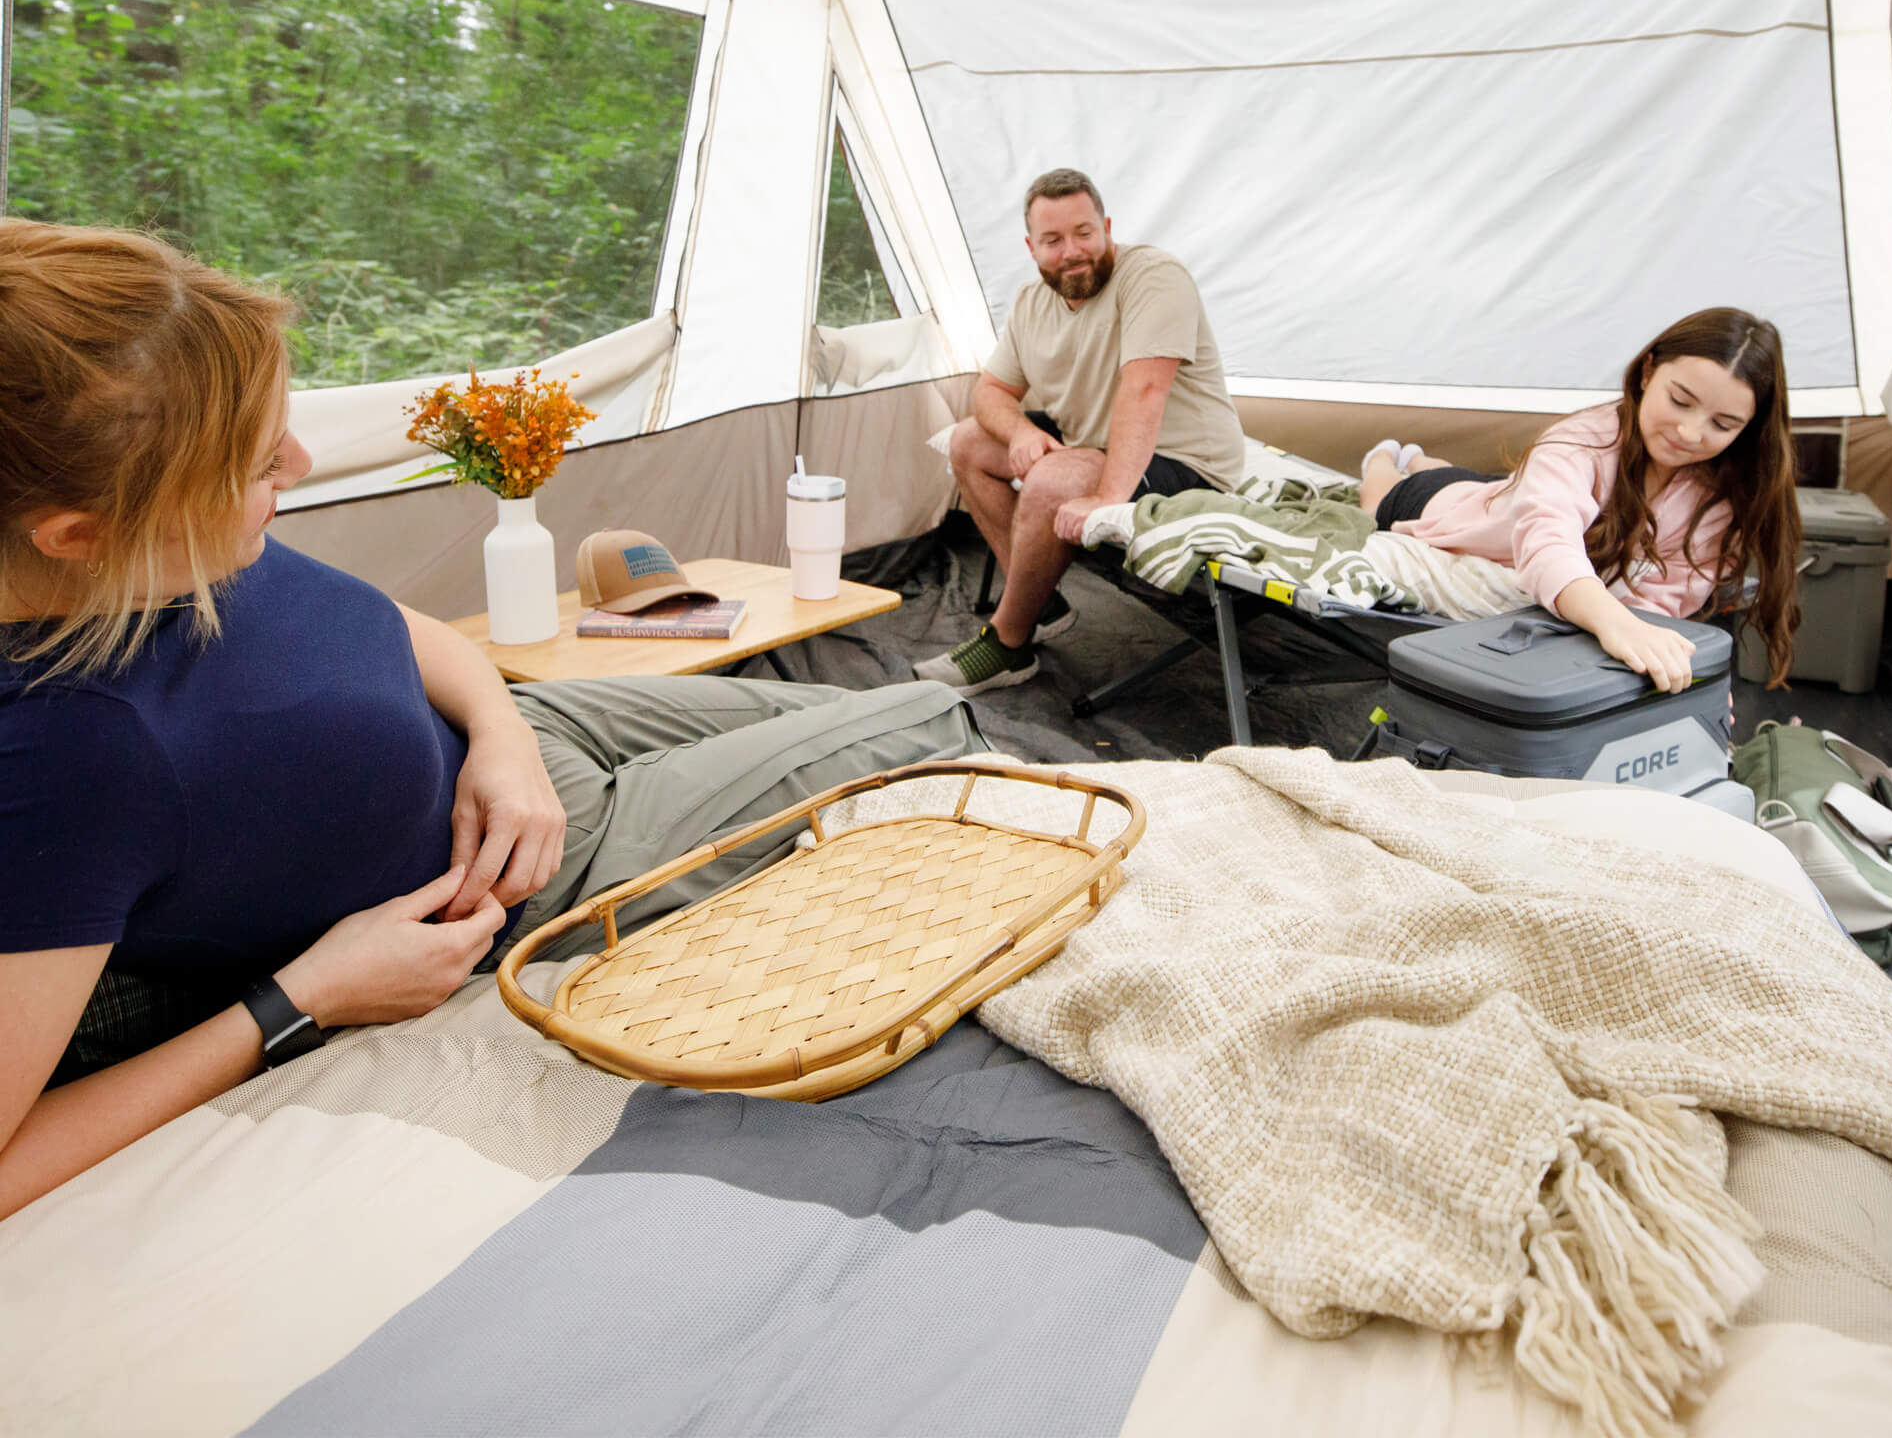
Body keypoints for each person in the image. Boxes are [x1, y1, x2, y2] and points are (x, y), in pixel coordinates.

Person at [0, 220, 984, 1220]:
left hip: (519, 731)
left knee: (842, 710)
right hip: (543, 863)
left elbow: (388, 621)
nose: (295, 463)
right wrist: (299, 999)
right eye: (258, 467)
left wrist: (502, 738)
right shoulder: (67, 752)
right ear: (81, 534)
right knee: (934, 714)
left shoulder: (150, 552)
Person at [916, 168, 1244, 697]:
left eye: (1084, 233)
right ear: (1032, 247)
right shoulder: (1031, 304)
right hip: (1098, 448)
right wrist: (1021, 433)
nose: (1072, 251)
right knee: (970, 442)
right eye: (1053, 240)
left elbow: (1145, 392)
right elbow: (990, 391)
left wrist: (1105, 501)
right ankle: (1041, 605)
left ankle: (1008, 645)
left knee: (1049, 479)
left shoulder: (1154, 276)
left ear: (1107, 227)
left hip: (1184, 464)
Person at [1356, 308, 1800, 691]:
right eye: (1680, 401)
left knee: (1486, 485)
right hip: (1450, 510)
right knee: (1380, 500)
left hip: (1509, 499)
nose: (1690, 433)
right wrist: (1615, 624)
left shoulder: (1719, 497)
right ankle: (1385, 456)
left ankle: (1423, 460)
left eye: (1722, 425)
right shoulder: (1581, 442)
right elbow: (1549, 544)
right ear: (1647, 373)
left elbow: (1666, 600)